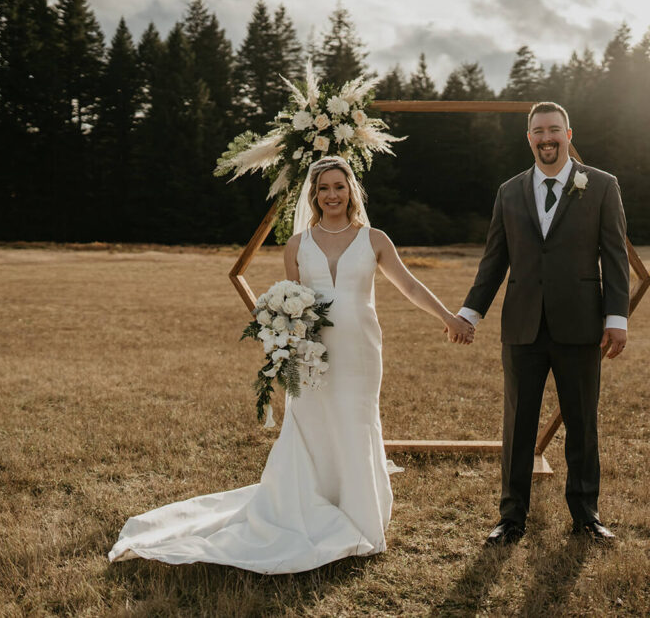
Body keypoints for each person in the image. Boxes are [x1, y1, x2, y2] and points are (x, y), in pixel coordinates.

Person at [109, 156, 473, 574]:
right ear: (314, 196)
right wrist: (288, 341)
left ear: (352, 190)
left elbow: (408, 284)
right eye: (323, 189)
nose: (332, 195)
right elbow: (292, 300)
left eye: (339, 186)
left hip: (360, 351)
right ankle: (311, 504)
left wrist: (448, 317)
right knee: (312, 423)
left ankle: (358, 511)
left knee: (356, 423)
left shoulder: (374, 239)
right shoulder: (298, 244)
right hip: (312, 353)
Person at [456, 102, 629, 546]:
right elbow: (494, 261)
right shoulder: (508, 192)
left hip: (581, 325)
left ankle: (586, 516)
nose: (546, 138)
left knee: (582, 422)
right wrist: (469, 313)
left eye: (554, 130)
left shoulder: (603, 186)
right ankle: (511, 519)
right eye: (538, 131)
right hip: (522, 327)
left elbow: (614, 256)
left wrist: (616, 318)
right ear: (528, 137)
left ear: (569, 134)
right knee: (518, 426)